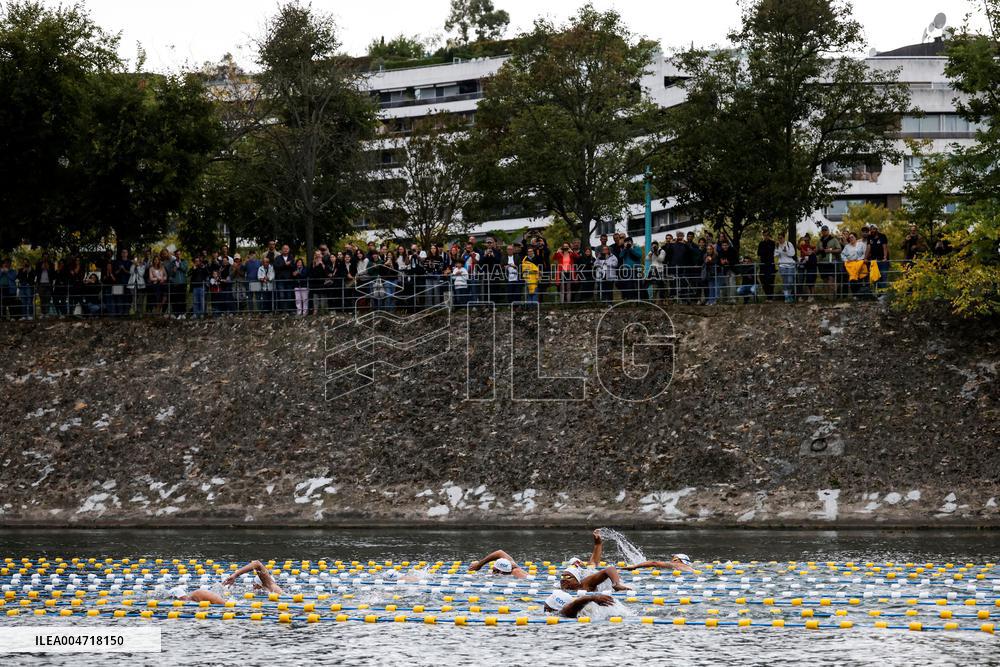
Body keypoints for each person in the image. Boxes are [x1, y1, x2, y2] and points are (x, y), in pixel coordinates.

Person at [560, 530, 633, 593]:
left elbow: (610, 568)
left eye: (568, 577)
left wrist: (616, 584)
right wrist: (597, 543)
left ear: (577, 579)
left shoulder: (585, 583)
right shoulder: (562, 587)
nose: (563, 580)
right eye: (562, 577)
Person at [543, 590, 616, 619]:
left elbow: (575, 604)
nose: (545, 608)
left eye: (546, 606)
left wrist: (593, 598)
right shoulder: (562, 612)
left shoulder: (564, 613)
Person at [776, 233, 797, 303]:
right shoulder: (777, 245)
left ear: (784, 238)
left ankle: (789, 295)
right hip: (782, 265)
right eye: (779, 238)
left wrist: (786, 251)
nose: (780, 239)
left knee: (790, 281)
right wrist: (779, 251)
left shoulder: (789, 244)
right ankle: (786, 297)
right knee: (785, 282)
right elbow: (775, 254)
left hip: (790, 265)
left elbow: (793, 253)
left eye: (781, 238)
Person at [620, 554, 695, 573]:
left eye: (674, 559)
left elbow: (654, 563)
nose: (671, 561)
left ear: (679, 560)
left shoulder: (677, 565)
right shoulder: (690, 568)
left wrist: (634, 567)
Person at [757, 230, 777, 300]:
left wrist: (765, 251)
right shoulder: (761, 243)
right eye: (764, 235)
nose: (765, 237)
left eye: (767, 235)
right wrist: (765, 251)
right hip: (763, 265)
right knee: (762, 280)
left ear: (769, 236)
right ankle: (767, 296)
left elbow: (771, 252)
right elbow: (759, 253)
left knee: (770, 281)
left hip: (770, 265)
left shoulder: (772, 243)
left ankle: (770, 297)